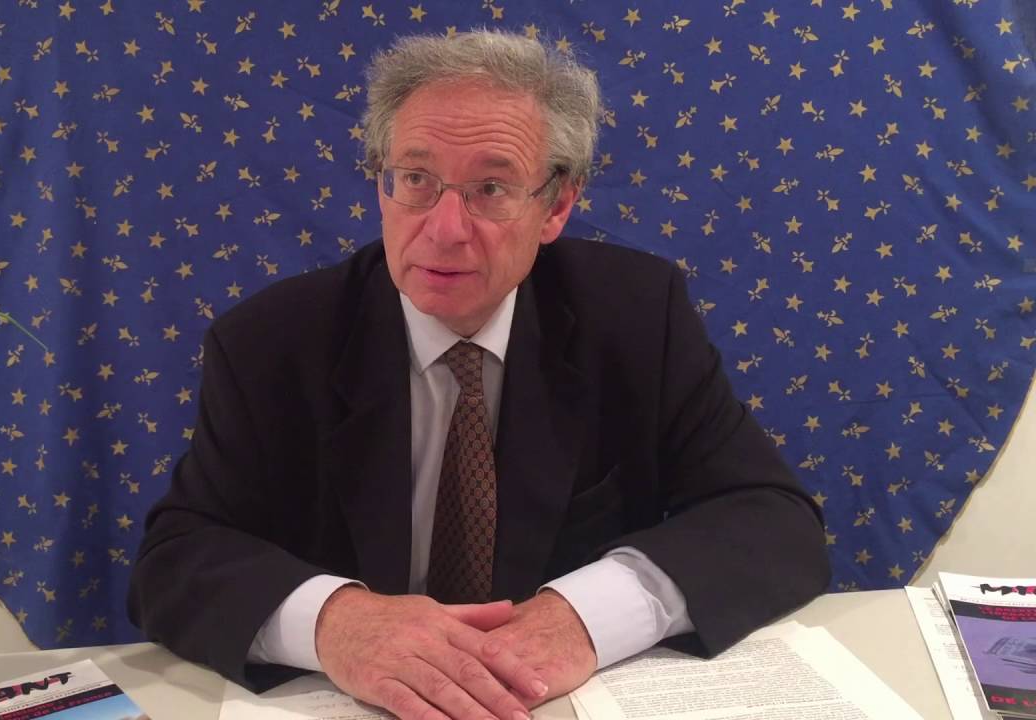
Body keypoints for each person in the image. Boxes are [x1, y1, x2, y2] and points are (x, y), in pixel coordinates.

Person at [128, 30, 829, 720]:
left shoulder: (638, 318)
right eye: (416, 180)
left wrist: (586, 615)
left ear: (556, 206)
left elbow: (774, 520)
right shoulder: (271, 343)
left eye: (491, 188)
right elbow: (176, 560)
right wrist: (336, 622)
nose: (444, 229)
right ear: (382, 184)